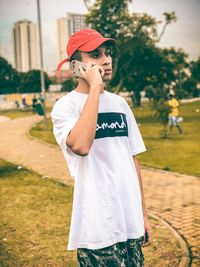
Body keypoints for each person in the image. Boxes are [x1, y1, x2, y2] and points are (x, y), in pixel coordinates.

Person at [51, 29, 152, 266]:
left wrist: (143, 216)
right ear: (76, 66)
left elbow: (132, 161)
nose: (106, 60)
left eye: (107, 53)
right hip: (98, 229)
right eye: (95, 55)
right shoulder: (65, 107)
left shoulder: (120, 104)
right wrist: (94, 88)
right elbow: (81, 145)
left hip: (130, 222)